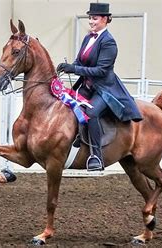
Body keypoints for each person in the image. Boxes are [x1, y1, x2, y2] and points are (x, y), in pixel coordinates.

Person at [57, 2, 143, 171]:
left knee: (91, 112)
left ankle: (96, 156)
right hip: (87, 86)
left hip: (104, 89)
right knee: (66, 105)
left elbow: (101, 70)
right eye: (90, 18)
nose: (91, 21)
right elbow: (80, 62)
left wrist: (74, 68)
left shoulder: (109, 42)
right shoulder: (88, 38)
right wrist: (69, 67)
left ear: (104, 19)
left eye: (94, 18)